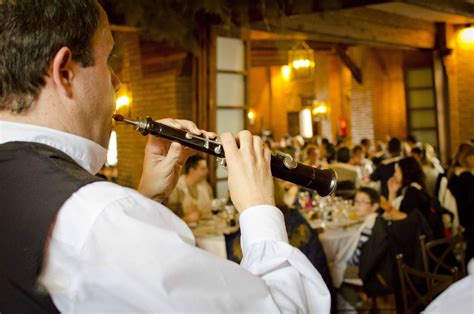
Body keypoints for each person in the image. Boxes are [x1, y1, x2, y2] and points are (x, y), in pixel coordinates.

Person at [0, 1, 330, 312]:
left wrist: (147, 199)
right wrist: (259, 209)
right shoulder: (99, 217)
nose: (117, 82)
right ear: (65, 72)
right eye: (108, 60)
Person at [166, 154, 213, 223]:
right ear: (192, 170)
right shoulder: (177, 188)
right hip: (186, 230)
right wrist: (187, 218)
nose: (207, 172)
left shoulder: (205, 185)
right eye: (203, 168)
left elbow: (212, 208)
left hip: (209, 228)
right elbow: (170, 219)